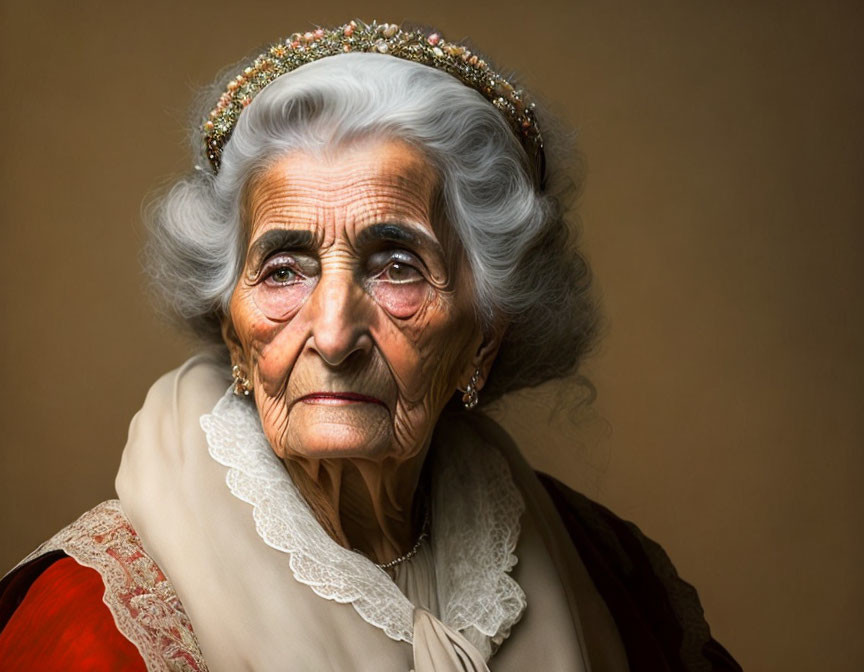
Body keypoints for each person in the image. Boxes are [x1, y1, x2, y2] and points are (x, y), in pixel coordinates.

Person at [0, 20, 741, 671]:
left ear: (486, 333)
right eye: (284, 268)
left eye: (396, 265)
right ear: (232, 327)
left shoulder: (612, 575)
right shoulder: (94, 618)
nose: (332, 334)